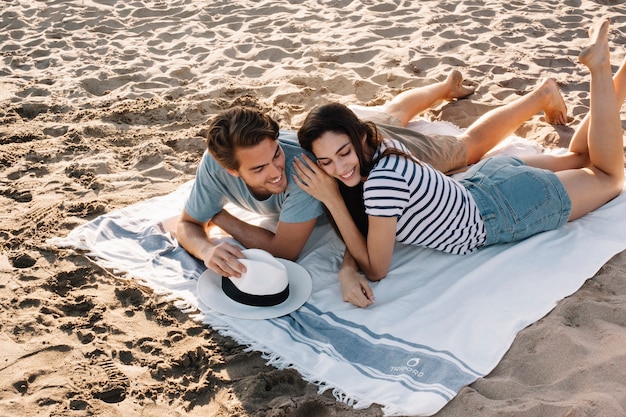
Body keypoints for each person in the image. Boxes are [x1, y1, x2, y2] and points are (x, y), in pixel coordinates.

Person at [294, 17, 625, 308]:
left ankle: (598, 67)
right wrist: (347, 267)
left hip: (506, 207)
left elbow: (378, 269)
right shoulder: (381, 146)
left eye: (343, 153)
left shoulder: (381, 183)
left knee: (607, 175)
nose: (338, 169)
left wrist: (333, 200)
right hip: (486, 181)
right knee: (578, 157)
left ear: (359, 139)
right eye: (325, 162)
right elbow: (371, 227)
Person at [177, 70, 565, 279]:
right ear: (229, 168)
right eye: (260, 168)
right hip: (343, 143)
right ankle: (444, 86)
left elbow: (282, 253)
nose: (277, 171)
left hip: (373, 152)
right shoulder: (214, 166)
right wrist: (208, 247)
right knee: (388, 116)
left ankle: (541, 95)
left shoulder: (305, 172)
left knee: (467, 149)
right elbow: (187, 224)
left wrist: (219, 217)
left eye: (276, 154)